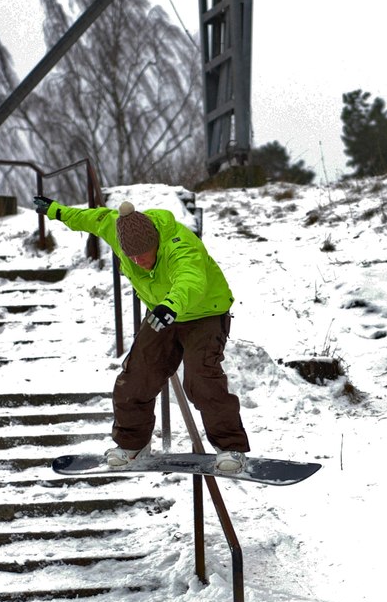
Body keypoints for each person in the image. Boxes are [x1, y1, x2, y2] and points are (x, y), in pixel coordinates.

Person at [33, 194, 250, 472]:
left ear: (156, 243)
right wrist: (56, 209)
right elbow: (92, 219)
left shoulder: (181, 246)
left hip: (204, 314)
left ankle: (232, 448)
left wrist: (170, 305)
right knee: (135, 376)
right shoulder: (117, 229)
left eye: (143, 255)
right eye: (131, 256)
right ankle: (132, 444)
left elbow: (191, 281)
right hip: (163, 314)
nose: (137, 261)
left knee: (201, 379)